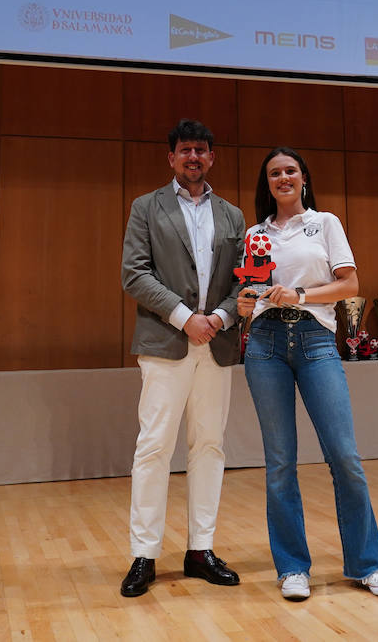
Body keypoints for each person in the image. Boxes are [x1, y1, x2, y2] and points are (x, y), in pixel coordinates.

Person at [236, 146, 378, 602]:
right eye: (274, 173)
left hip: (315, 342)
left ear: (303, 177)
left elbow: (350, 285)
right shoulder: (255, 233)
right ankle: (291, 567)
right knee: (280, 463)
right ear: (266, 183)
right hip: (265, 345)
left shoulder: (325, 223)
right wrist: (244, 304)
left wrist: (302, 294)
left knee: (344, 457)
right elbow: (248, 290)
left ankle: (368, 565)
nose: (283, 178)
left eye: (290, 170)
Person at [119, 119, 245, 597]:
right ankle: (144, 554)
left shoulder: (234, 216)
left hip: (217, 343)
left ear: (212, 158)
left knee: (209, 446)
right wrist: (183, 316)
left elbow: (246, 280)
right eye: (185, 150)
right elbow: (134, 273)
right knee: (153, 448)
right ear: (170, 158)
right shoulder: (145, 208)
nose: (194, 157)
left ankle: (201, 550)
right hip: (165, 345)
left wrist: (217, 316)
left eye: (202, 150)